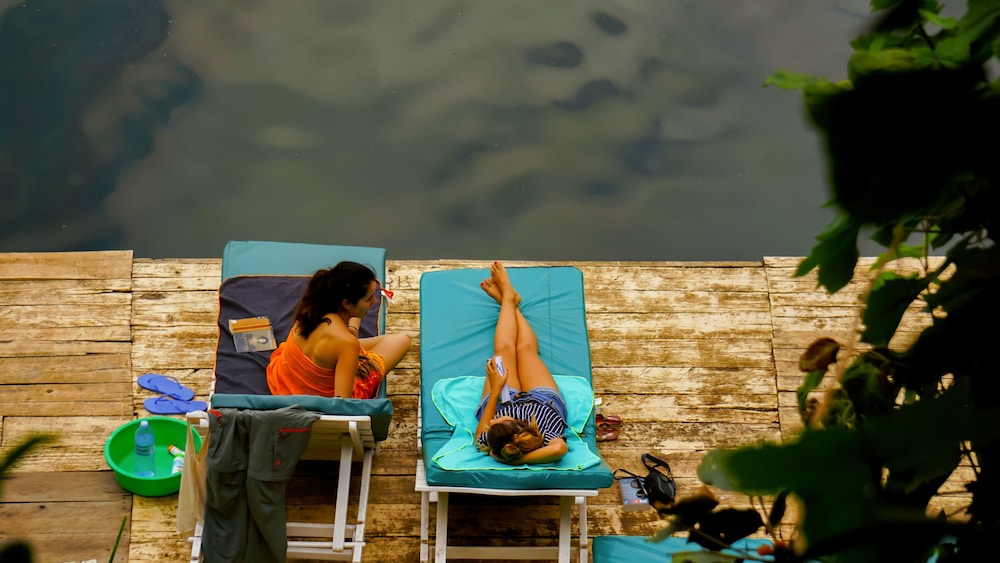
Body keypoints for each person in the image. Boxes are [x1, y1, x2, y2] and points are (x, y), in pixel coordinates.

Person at [266, 261, 411, 399]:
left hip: (282, 380)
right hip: (318, 398)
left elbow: (345, 334)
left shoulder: (311, 309)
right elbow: (342, 402)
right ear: (346, 303)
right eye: (368, 298)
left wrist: (352, 328)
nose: (375, 301)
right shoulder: (346, 343)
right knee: (402, 341)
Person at [475, 261, 569, 465]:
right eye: (495, 422)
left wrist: (495, 391)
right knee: (525, 349)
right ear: (516, 424)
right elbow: (559, 449)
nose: (491, 420)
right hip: (544, 399)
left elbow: (479, 438)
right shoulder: (545, 433)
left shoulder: (495, 438)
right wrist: (517, 461)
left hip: (501, 399)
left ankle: (508, 301)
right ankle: (509, 301)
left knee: (504, 349)